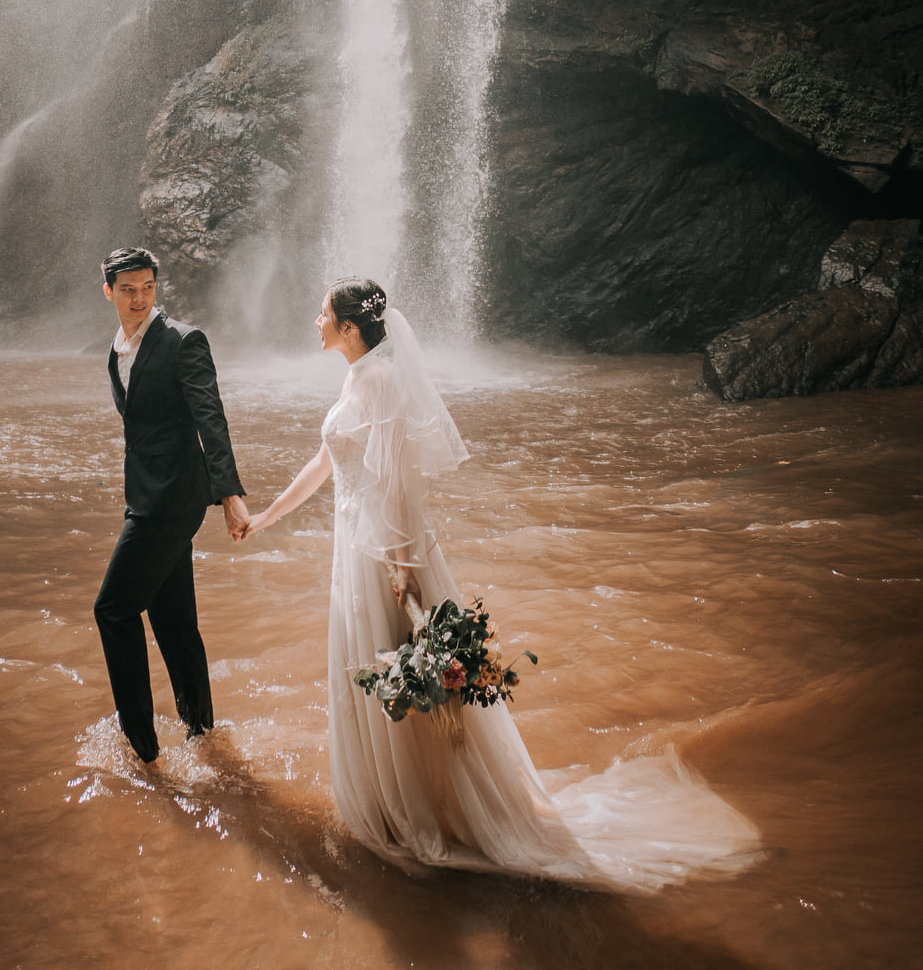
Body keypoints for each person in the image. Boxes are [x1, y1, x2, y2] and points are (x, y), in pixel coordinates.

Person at [234, 277, 761, 891]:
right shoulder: (360, 373)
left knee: (398, 671)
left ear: (349, 328)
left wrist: (403, 572)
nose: (314, 320)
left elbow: (401, 483)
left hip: (383, 553)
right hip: (355, 545)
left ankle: (422, 812)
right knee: (376, 672)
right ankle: (397, 803)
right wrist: (268, 515)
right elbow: (329, 463)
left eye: (322, 312)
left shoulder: (378, 381)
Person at [93, 246, 248, 763]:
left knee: (113, 610)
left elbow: (212, 418)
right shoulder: (116, 349)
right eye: (128, 289)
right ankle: (203, 734)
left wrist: (228, 495)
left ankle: (142, 750)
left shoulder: (183, 341)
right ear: (109, 290)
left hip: (172, 501)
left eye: (148, 288)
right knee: (174, 620)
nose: (139, 299)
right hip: (146, 493)